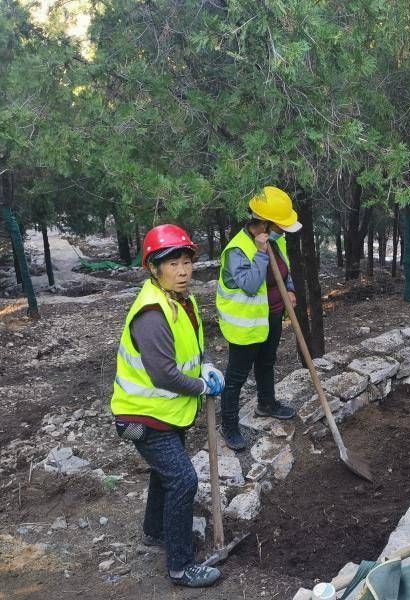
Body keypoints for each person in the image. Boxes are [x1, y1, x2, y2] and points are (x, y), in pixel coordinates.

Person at [110, 224, 225, 587]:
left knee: (166, 475)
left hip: (166, 413)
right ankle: (180, 566)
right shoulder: (152, 314)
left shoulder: (181, 301)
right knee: (183, 480)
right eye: (172, 263)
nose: (183, 270)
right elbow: (163, 375)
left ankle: (154, 531)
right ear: (153, 268)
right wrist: (200, 386)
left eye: (187, 261)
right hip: (142, 416)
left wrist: (204, 365)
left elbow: (188, 350)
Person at [215, 186, 302, 451]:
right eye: (279, 226)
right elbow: (251, 284)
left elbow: (284, 269)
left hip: (272, 315)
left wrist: (290, 288)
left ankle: (267, 403)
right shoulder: (237, 251)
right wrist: (261, 253)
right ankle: (228, 425)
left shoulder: (277, 240)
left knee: (267, 362)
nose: (283, 231)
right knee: (236, 376)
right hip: (246, 324)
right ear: (263, 223)